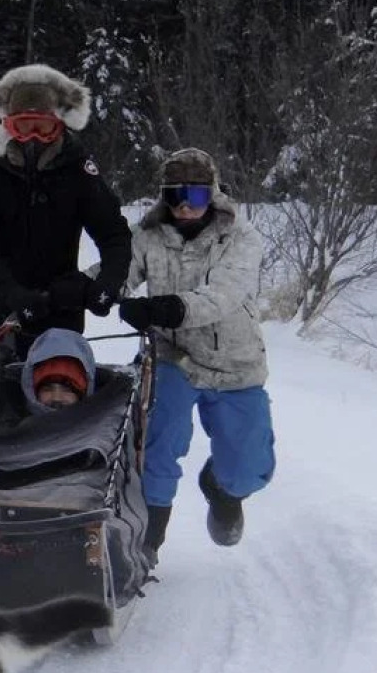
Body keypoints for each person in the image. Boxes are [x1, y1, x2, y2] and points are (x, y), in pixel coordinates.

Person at [118, 148, 275, 562]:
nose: (186, 206)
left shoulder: (240, 237)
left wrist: (166, 308)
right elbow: (116, 273)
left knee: (248, 468)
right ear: (162, 197)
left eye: (197, 197)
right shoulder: (147, 236)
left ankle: (222, 489)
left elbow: (223, 295)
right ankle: (146, 544)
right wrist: (89, 293)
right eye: (175, 196)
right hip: (173, 356)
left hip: (234, 363)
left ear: (214, 194)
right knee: (158, 443)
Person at [0, 64, 132, 386]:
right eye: (24, 126)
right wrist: (10, 293)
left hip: (59, 309)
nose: (34, 137)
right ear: (8, 126)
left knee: (61, 408)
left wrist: (109, 281)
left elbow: (113, 232)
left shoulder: (79, 169)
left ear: (60, 126)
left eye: (44, 126)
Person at [20, 327, 96, 414]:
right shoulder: (10, 424)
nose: (57, 398)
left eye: (67, 389)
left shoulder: (106, 425)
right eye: (47, 389)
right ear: (33, 392)